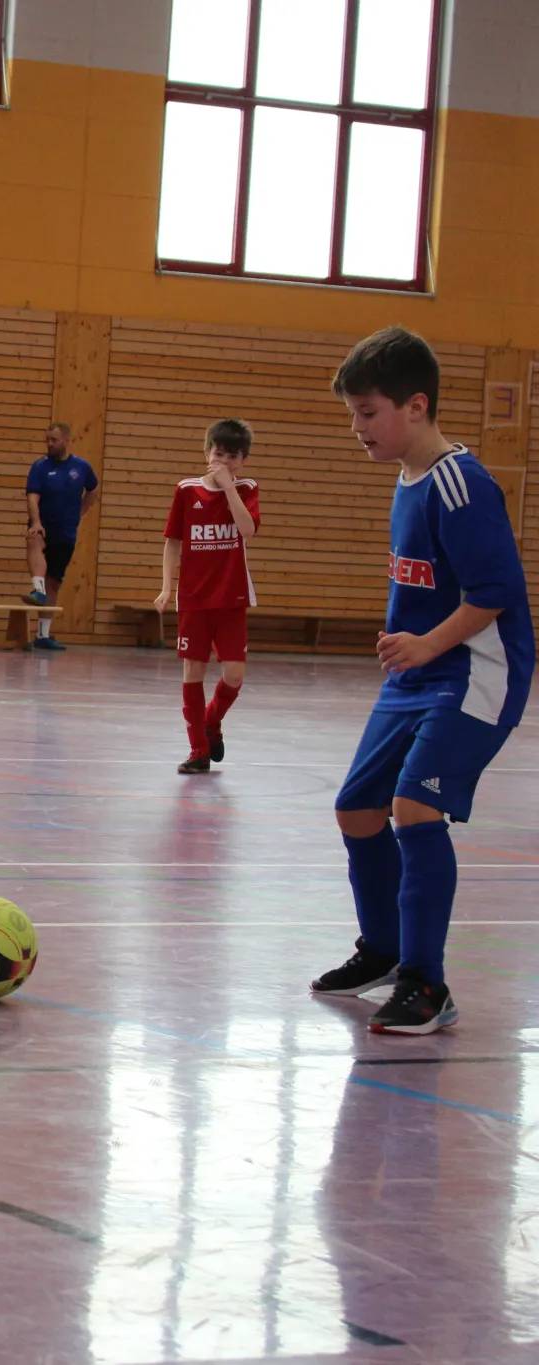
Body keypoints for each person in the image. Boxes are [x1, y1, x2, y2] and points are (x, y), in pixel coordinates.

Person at [313, 326, 532, 1035]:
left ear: (416, 405)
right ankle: (383, 949)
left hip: (475, 672)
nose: (357, 428)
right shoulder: (406, 479)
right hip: (417, 674)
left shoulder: (460, 484)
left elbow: (495, 592)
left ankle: (426, 983)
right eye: (353, 414)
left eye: (368, 413)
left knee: (414, 807)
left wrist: (425, 644)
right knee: (358, 808)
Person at [154, 419, 260, 774]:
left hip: (231, 597)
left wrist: (229, 488)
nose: (224, 462)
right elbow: (173, 542)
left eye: (233, 456)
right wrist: (167, 587)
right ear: (206, 453)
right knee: (193, 670)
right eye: (219, 454)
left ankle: (211, 721)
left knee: (234, 674)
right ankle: (198, 750)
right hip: (194, 598)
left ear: (243, 460)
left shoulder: (246, 488)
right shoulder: (186, 490)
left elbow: (247, 530)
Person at [21, 422, 98, 650]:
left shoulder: (81, 467)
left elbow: (93, 489)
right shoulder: (40, 467)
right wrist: (36, 522)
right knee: (34, 539)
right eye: (47, 440)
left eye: (53, 440)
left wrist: (81, 512)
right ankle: (38, 590)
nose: (49, 444)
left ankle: (43, 635)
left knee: (54, 583)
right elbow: (32, 496)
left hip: (66, 530)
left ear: (66, 440)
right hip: (44, 524)